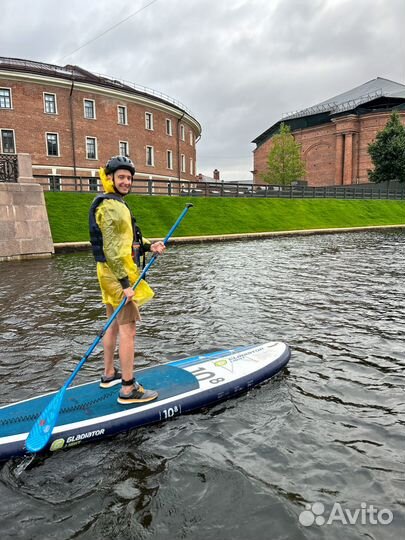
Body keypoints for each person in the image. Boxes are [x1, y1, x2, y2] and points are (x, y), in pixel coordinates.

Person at [89, 155, 165, 404]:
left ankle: (109, 374)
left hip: (109, 274)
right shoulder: (110, 206)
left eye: (129, 178)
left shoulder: (116, 203)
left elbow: (125, 242)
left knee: (112, 323)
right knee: (128, 330)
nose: (126, 181)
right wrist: (125, 284)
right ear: (109, 178)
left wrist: (147, 246)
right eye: (121, 177)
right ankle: (128, 388)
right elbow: (112, 250)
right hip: (116, 275)